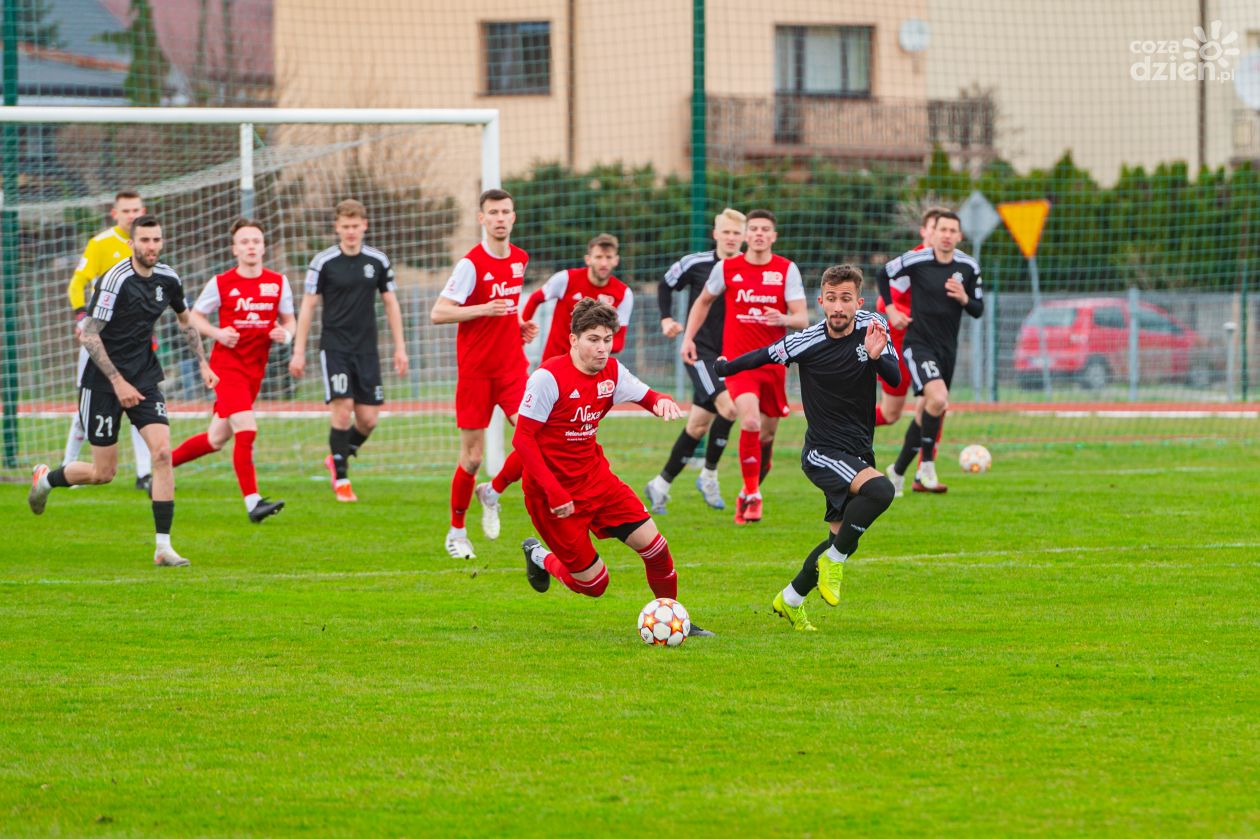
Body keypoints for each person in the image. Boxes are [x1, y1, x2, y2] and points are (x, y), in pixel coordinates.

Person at [713, 265, 899, 631]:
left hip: (858, 450)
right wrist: (726, 368)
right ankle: (834, 561)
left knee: (842, 535)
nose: (839, 307)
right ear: (821, 302)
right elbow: (764, 355)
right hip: (823, 452)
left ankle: (791, 599)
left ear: (858, 301)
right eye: (831, 299)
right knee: (881, 490)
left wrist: (877, 357)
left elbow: (894, 377)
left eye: (846, 299)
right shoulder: (806, 340)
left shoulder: (873, 327)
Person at [514, 299, 713, 637]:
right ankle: (539, 556)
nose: (602, 348)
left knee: (657, 548)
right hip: (553, 498)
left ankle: (675, 618)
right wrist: (554, 491)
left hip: (597, 481)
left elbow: (648, 396)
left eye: (607, 339)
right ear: (574, 339)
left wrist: (662, 401)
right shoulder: (548, 378)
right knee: (595, 585)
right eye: (594, 339)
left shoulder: (613, 371)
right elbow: (523, 440)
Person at [29, 216, 218, 566]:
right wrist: (118, 383)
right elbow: (89, 334)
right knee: (104, 473)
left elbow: (185, 321)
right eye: (144, 240)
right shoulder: (114, 280)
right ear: (132, 243)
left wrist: (204, 363)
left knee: (162, 455)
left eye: (156, 240)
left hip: (144, 377)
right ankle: (47, 479)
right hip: (102, 382)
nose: (151, 246)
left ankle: (163, 547)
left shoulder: (168, 278)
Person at [680, 208, 808, 524]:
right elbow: (703, 302)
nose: (759, 234)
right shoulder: (727, 268)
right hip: (737, 364)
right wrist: (688, 338)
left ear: (773, 236)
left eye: (766, 229)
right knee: (749, 421)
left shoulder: (785, 270)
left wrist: (785, 319)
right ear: (746, 234)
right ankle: (753, 495)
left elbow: (803, 318)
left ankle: (747, 491)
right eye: (754, 229)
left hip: (774, 363)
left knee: (766, 436)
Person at [430, 188, 538, 559]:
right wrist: (482, 309)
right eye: (493, 212)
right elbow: (439, 312)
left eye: (506, 211)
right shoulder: (470, 264)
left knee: (533, 439)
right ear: (482, 219)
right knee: (472, 458)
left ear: (514, 217)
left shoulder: (520, 259)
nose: (500, 218)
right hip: (476, 373)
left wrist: (519, 324)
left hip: (511, 369)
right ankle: (456, 532)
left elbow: (505, 312)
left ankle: (492, 491)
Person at [170, 219, 295, 522]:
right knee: (247, 429)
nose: (251, 246)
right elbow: (192, 317)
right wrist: (217, 333)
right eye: (244, 241)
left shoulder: (278, 282)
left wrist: (286, 335)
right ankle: (253, 503)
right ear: (235, 249)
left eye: (256, 241)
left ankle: (160, 465)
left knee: (215, 439)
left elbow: (290, 320)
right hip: (226, 368)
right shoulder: (221, 282)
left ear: (263, 247)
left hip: (255, 370)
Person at [289, 199, 408, 503]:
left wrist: (400, 348)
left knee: (368, 419)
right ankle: (342, 479)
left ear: (364, 225)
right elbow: (308, 306)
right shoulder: (324, 262)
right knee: (342, 410)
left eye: (356, 226)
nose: (351, 232)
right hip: (335, 347)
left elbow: (391, 303)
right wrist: (298, 351)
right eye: (345, 227)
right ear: (337, 228)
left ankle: (338, 456)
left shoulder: (378, 261)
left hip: (367, 350)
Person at [644, 208, 745, 514]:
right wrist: (665, 319)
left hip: (732, 354)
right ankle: (710, 475)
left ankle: (660, 484)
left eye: (736, 233)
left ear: (743, 237)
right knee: (730, 407)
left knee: (698, 426)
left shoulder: (747, 268)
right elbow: (664, 284)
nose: (730, 238)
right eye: (725, 232)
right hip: (699, 352)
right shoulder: (696, 263)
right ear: (716, 234)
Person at [880, 211, 983, 495]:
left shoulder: (968, 266)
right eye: (943, 229)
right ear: (932, 233)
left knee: (929, 409)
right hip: (918, 344)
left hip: (947, 349)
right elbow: (883, 274)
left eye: (953, 230)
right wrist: (890, 310)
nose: (948, 235)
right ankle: (926, 466)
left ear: (960, 236)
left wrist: (963, 298)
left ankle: (898, 472)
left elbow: (978, 309)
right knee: (938, 399)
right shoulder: (917, 260)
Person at [63, 189, 153, 491]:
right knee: (84, 410)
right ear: (115, 214)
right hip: (99, 340)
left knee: (140, 405)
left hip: (134, 344)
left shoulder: (147, 247)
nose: (132, 215)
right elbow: (78, 283)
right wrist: (80, 317)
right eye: (126, 210)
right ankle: (67, 468)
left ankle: (144, 474)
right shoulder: (101, 244)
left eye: (136, 209)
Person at [876, 206, 950, 493]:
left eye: (946, 229)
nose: (941, 234)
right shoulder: (914, 262)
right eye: (935, 228)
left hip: (928, 346)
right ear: (925, 231)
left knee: (936, 403)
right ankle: (844, 419)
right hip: (900, 345)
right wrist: (905, 314)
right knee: (890, 414)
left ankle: (923, 470)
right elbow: (885, 303)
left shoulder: (951, 265)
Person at [520, 233, 633, 361]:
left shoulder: (624, 293)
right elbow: (535, 299)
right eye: (598, 257)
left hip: (590, 366)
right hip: (555, 360)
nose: (603, 263)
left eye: (608, 257)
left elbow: (618, 343)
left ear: (616, 260)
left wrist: (591, 345)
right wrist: (522, 334)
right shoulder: (566, 279)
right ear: (588, 259)